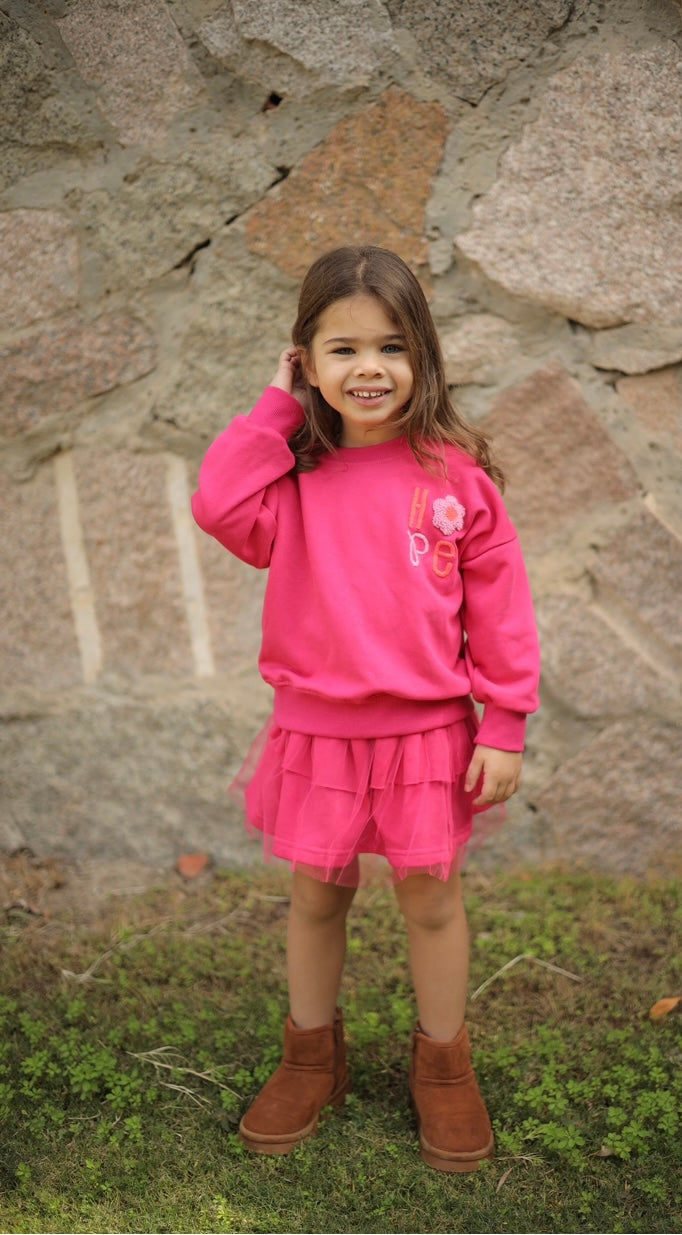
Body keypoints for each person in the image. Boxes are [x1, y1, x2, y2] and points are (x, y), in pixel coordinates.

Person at [192, 245, 540, 1172]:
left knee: (429, 897)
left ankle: (443, 1066)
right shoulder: (291, 481)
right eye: (342, 349)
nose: (371, 369)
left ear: (422, 354)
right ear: (305, 360)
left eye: (391, 346)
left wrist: (504, 723)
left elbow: (501, 610)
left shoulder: (455, 477)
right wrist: (274, 406)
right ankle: (312, 1055)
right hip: (318, 734)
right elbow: (216, 502)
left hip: (428, 733)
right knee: (317, 893)